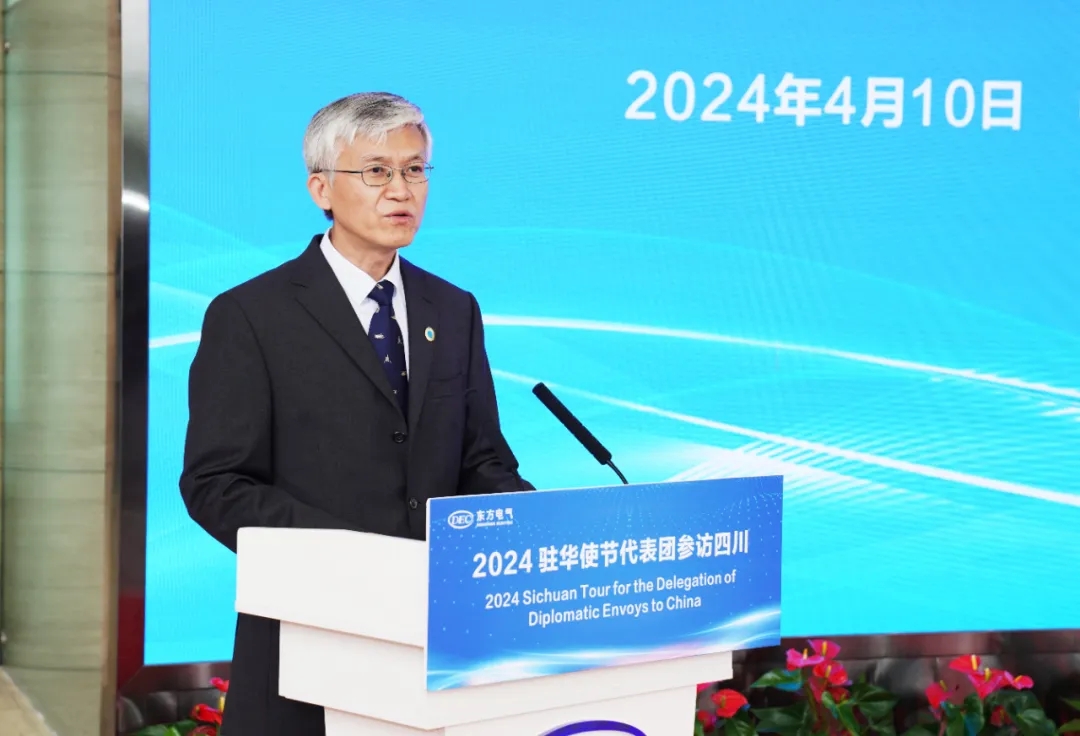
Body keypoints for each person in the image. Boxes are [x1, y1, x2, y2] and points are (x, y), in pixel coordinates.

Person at [179, 91, 531, 736]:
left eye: (415, 169)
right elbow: (217, 484)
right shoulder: (252, 315)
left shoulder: (453, 308)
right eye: (376, 171)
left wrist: (534, 529)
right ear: (321, 188)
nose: (401, 189)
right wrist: (351, 557)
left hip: (439, 643)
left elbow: (481, 458)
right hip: (308, 637)